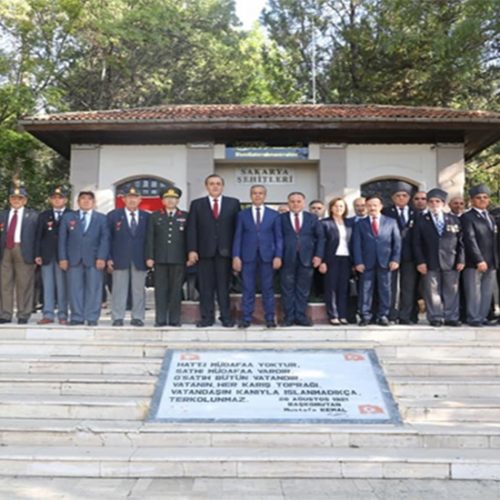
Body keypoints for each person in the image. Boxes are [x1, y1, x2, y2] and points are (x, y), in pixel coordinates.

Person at [186, 174, 240, 327]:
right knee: (205, 288)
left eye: (218, 183)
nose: (215, 186)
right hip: (204, 253)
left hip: (225, 252)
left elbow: (238, 230)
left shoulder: (233, 203)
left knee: (224, 287)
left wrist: (236, 253)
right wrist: (192, 250)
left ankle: (226, 317)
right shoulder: (197, 204)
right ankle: (207, 317)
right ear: (206, 186)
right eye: (211, 184)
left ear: (222, 186)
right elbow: (192, 229)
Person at [232, 185, 283, 328]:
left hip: (268, 256)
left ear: (265, 196)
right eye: (254, 193)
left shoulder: (274, 215)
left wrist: (278, 255)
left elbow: (278, 238)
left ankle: (269, 319)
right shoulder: (242, 214)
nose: (257, 196)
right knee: (248, 289)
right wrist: (236, 256)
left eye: (260, 193)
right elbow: (238, 236)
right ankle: (246, 318)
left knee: (268, 289)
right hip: (247, 256)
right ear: (250, 195)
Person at [413, 188, 464, 327]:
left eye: (438, 201)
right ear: (428, 204)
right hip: (430, 261)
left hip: (451, 260)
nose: (434, 204)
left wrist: (461, 259)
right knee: (431, 291)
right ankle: (435, 317)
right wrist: (420, 262)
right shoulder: (421, 220)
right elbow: (416, 243)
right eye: (431, 201)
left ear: (443, 203)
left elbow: (461, 242)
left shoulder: (453, 219)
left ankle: (451, 317)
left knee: (452, 290)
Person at [59, 191, 109, 326]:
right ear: (78, 202)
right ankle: (77, 316)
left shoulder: (101, 218)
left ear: (94, 202)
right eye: (83, 199)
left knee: (94, 289)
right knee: (75, 289)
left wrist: (102, 257)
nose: (86, 201)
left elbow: (105, 239)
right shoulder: (68, 217)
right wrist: (63, 258)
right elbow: (62, 239)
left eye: (89, 199)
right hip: (73, 258)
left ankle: (92, 317)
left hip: (94, 259)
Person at [352, 194, 401, 326]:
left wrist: (395, 259)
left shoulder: (391, 222)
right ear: (366, 207)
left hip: (386, 262)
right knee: (365, 289)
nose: (372, 208)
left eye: (375, 205)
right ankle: (365, 315)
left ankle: (383, 315)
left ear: (380, 206)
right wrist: (358, 262)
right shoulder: (360, 224)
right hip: (366, 262)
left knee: (385, 289)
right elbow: (356, 244)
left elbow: (397, 243)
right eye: (369, 205)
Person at [279, 192, 324, 326]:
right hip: (286, 258)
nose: (295, 204)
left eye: (298, 201)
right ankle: (289, 317)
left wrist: (318, 256)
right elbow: (276, 238)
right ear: (288, 203)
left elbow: (320, 238)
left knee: (303, 289)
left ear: (303, 203)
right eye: (292, 201)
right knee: (287, 289)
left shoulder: (312, 218)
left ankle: (300, 316)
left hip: (307, 258)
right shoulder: (281, 218)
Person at [107, 186, 149, 327]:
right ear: (123, 199)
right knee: (119, 288)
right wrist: (108, 257)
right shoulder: (113, 215)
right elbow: (108, 238)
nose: (132, 200)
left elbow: (150, 240)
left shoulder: (147, 217)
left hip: (140, 258)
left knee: (138, 289)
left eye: (135, 197)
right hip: (119, 257)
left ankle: (138, 317)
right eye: (129, 197)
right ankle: (117, 317)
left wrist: (150, 257)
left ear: (140, 199)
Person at [146, 187, 187, 327]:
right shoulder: (155, 216)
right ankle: (161, 319)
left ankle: (175, 319)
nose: (171, 200)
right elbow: (150, 238)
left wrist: (189, 256)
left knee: (176, 290)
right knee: (160, 290)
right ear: (163, 201)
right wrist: (150, 257)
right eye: (167, 198)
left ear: (178, 200)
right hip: (160, 258)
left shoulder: (185, 216)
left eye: (174, 198)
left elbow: (188, 238)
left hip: (178, 258)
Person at [0, 185, 39, 324]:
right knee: (4, 284)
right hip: (5, 250)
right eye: (13, 198)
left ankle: (23, 314)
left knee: (24, 284)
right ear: (9, 200)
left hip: (24, 250)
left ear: (25, 200)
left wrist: (37, 254)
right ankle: (5, 313)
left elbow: (37, 237)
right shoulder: (2, 215)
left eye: (20, 198)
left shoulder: (33, 216)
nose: (16, 200)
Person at [461, 184, 498, 327]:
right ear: (472, 200)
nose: (482, 200)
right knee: (473, 291)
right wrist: (479, 259)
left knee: (487, 292)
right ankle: (473, 317)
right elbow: (470, 240)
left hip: (491, 261)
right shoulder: (467, 217)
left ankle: (482, 317)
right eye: (478, 198)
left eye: (485, 197)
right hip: (474, 262)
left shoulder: (490, 217)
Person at [35, 186, 71, 325]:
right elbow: (38, 236)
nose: (57, 200)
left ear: (66, 199)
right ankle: (48, 314)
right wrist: (37, 254)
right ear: (50, 200)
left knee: (62, 287)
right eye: (54, 198)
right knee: (48, 285)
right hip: (47, 256)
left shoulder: (71, 214)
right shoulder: (44, 215)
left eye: (60, 197)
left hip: (64, 257)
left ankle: (63, 315)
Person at [382, 183, 418, 324]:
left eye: (404, 196)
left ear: (409, 197)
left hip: (410, 256)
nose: (401, 198)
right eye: (398, 196)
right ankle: (391, 315)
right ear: (393, 198)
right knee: (390, 287)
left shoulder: (416, 213)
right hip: (390, 255)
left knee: (408, 288)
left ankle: (405, 316)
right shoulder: (386, 212)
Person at [320, 197, 353, 325]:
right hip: (331, 258)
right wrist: (322, 260)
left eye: (341, 206)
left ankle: (343, 315)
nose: (338, 208)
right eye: (336, 206)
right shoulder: (325, 223)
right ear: (331, 208)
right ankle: (333, 315)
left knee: (344, 288)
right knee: (331, 287)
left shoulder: (350, 223)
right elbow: (321, 243)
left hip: (346, 258)